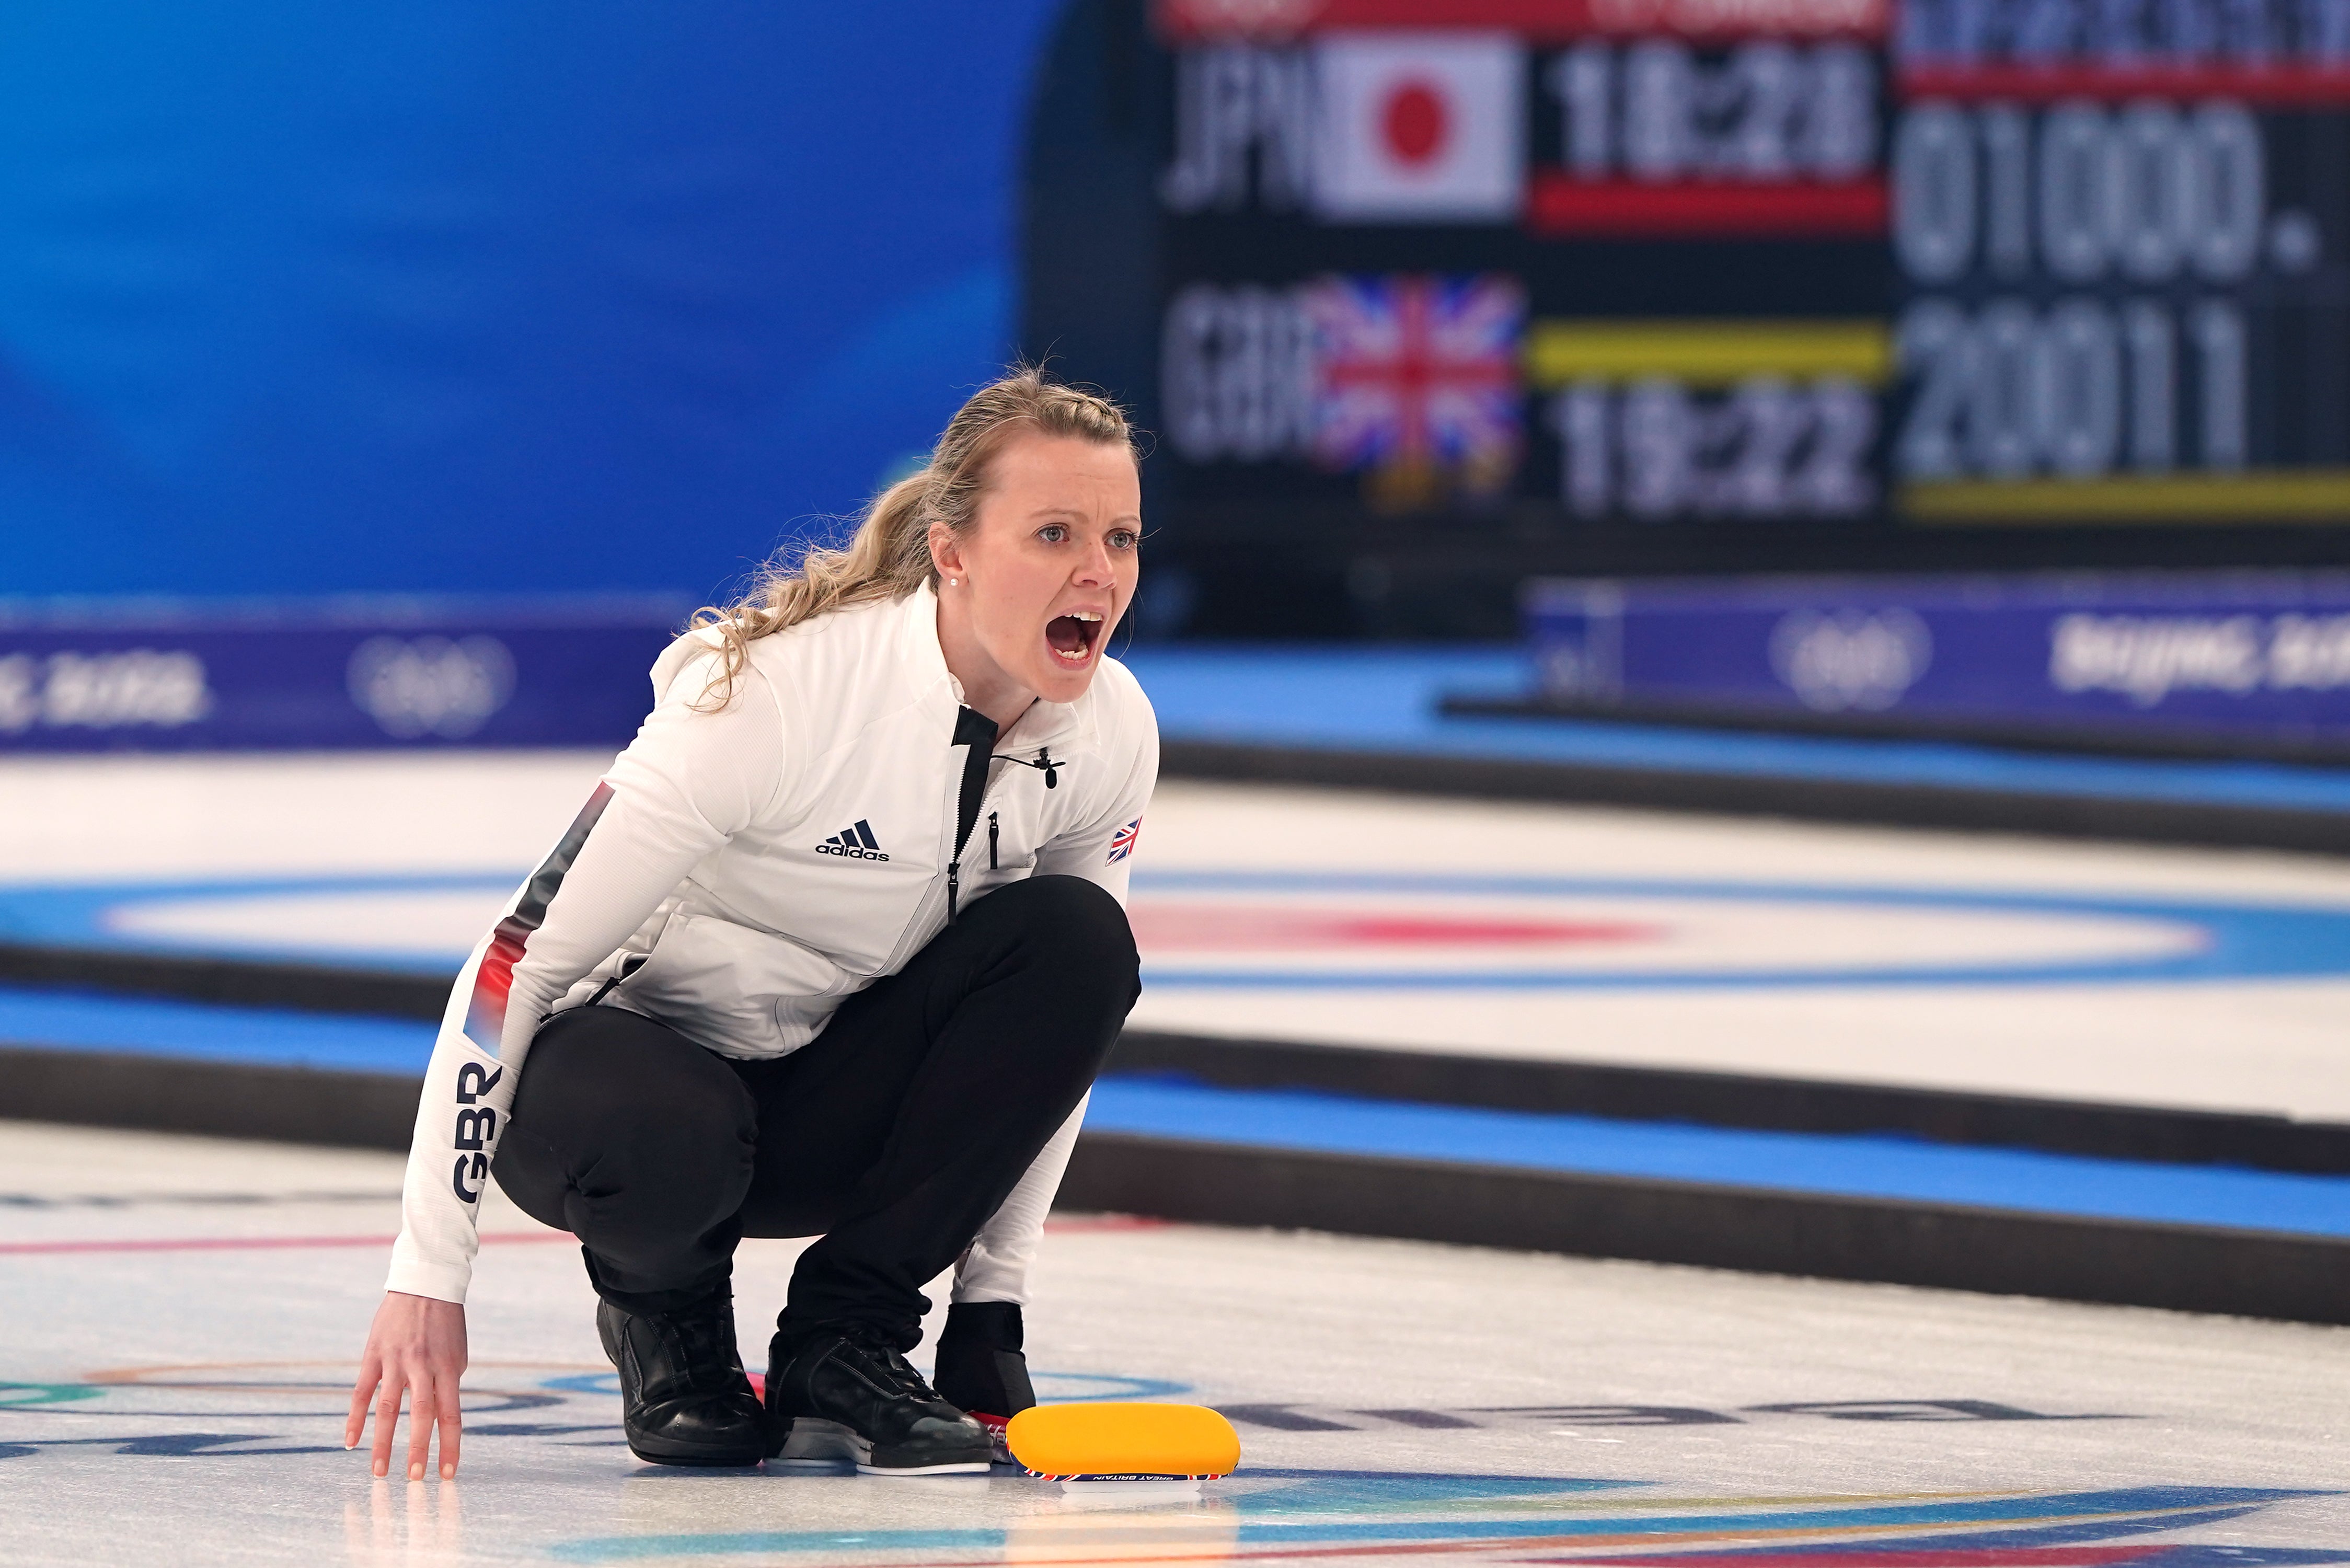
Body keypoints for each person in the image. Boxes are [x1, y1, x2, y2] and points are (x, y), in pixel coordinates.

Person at [343, 368, 1156, 1479]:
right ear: (952, 551)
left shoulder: (1110, 728)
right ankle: (664, 1317)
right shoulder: (776, 695)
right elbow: (512, 967)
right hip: (620, 1110)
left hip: (820, 1111)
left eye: (1120, 538)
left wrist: (992, 1304)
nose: (1097, 575)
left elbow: (1058, 1046)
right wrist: (427, 1276)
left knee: (1078, 944)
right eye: (1054, 533)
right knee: (660, 1116)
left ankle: (847, 1342)